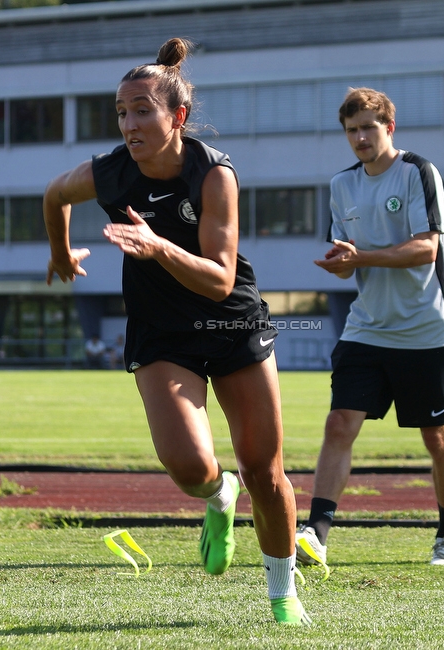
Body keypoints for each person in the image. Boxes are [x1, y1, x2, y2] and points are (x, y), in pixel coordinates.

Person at [42, 38, 309, 625]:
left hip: (228, 321)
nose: (129, 123)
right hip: (162, 332)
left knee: (266, 471)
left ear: (177, 117)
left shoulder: (212, 173)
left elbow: (218, 280)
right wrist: (61, 254)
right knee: (189, 467)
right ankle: (219, 495)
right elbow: (56, 193)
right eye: (121, 111)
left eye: (142, 110)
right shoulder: (111, 173)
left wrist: (157, 245)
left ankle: (282, 593)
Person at [296, 88, 444, 569]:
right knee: (338, 424)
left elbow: (425, 248)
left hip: (423, 331)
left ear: (390, 127)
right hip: (366, 328)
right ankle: (317, 533)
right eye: (352, 130)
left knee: (437, 438)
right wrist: (340, 264)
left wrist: (361, 257)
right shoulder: (341, 185)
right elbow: (347, 258)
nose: (360, 138)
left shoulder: (417, 173)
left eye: (369, 127)